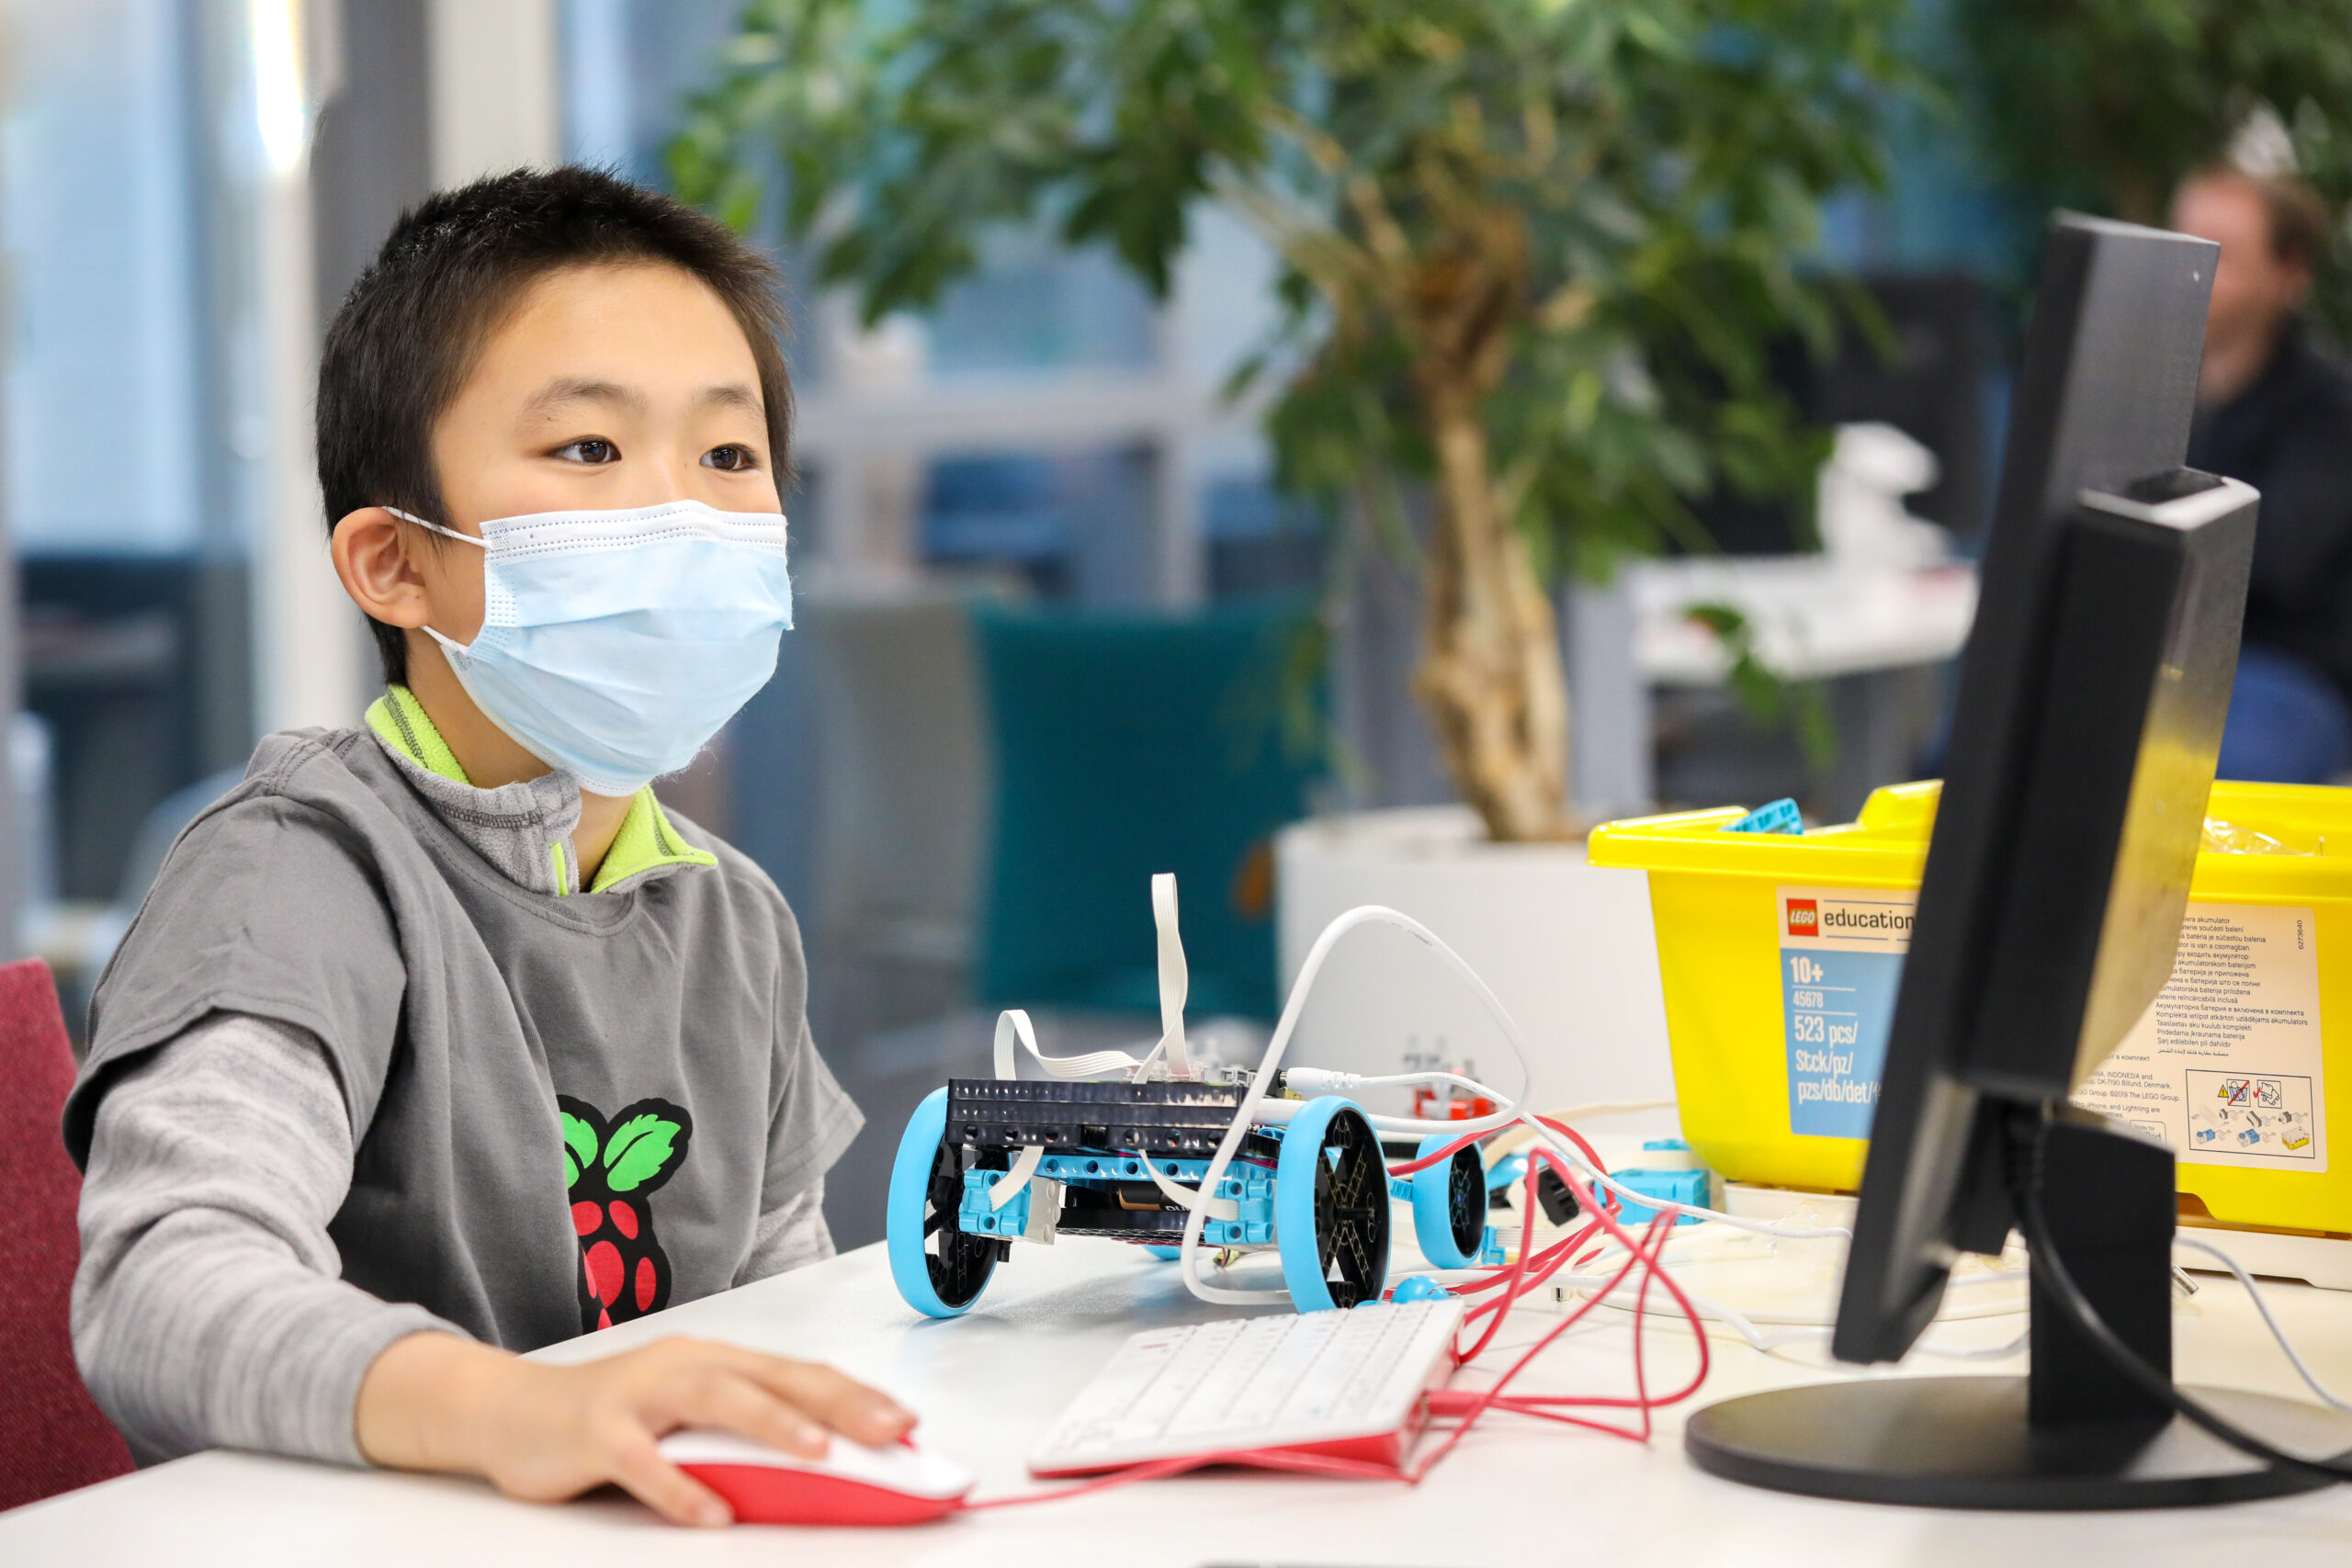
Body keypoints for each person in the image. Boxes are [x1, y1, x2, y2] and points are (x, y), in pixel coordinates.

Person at [62, 168, 910, 1527]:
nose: (680, 515)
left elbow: (785, 1318)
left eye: (728, 456)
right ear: (395, 563)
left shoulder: (729, 913)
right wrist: (518, 1410)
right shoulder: (298, 874)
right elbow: (162, 1287)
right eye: (588, 449)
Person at [2171, 162, 2352, 784]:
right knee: (1968, 761)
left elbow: (2270, 559)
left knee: (2222, 784)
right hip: (2162, 663)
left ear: (2288, 274)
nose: (2192, 274)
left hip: (2282, 668)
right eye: (2183, 244)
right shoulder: (2161, 393)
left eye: (2219, 256)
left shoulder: (2329, 408)